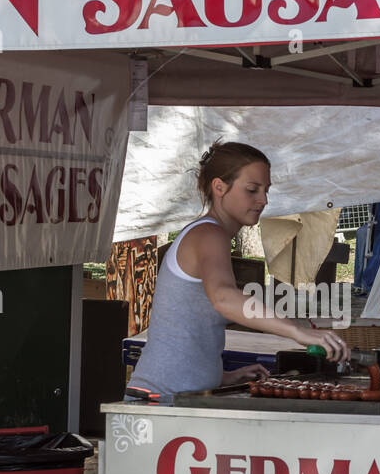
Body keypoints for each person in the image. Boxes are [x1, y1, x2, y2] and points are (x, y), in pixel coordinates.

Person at [125, 141, 348, 402]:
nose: (263, 200)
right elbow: (224, 297)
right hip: (160, 399)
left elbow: (185, 331)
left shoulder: (209, 234)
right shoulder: (209, 234)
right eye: (252, 190)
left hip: (177, 394)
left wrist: (223, 376)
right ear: (219, 187)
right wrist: (297, 331)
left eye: (266, 190)